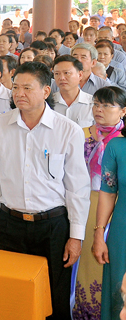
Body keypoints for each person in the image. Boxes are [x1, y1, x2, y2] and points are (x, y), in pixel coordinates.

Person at [0, 62, 91, 320]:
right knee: (11, 295)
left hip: (53, 226)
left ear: (45, 91)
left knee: (54, 297)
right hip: (10, 223)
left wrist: (76, 236)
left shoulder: (68, 130)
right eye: (15, 87)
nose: (19, 93)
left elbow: (77, 188)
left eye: (27, 88)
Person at [78, 87, 126, 318]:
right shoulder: (116, 146)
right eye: (97, 104)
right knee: (116, 289)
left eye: (107, 105)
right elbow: (107, 192)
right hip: (119, 229)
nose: (100, 109)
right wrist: (99, 233)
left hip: (115, 217)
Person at [52, 55, 95, 129]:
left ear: (80, 75)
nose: (61, 78)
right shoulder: (48, 103)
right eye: (57, 74)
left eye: (66, 73)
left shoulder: (92, 104)